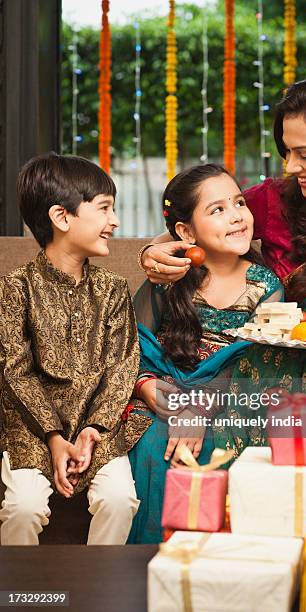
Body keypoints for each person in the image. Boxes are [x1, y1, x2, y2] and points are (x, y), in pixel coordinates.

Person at [138, 68, 306, 450]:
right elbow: (199, 224)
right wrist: (152, 251)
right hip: (262, 372)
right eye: (287, 151)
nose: (291, 167)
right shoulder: (273, 199)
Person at [127, 163, 283, 543]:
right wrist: (151, 389)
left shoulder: (265, 286)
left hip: (231, 398)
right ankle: (151, 563)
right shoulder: (167, 281)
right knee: (155, 440)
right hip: (166, 394)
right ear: (185, 231)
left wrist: (198, 407)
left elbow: (257, 364)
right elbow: (135, 349)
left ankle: (211, 567)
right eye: (217, 210)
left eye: (239, 203)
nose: (236, 217)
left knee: (214, 442)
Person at [0, 153, 151, 545]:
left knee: (120, 499)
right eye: (104, 208)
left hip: (95, 427)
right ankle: (21, 598)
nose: (113, 221)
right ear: (62, 218)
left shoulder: (113, 289)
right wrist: (53, 437)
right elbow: (15, 372)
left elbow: (122, 366)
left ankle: (98, 595)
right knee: (24, 507)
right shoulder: (15, 289)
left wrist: (92, 430)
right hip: (32, 430)